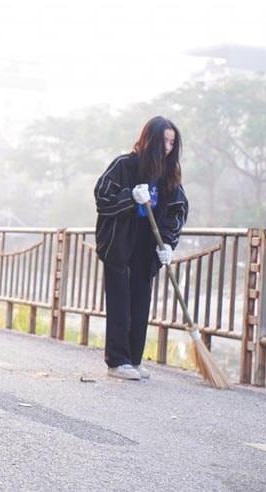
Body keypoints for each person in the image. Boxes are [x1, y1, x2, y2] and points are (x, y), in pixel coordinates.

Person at [94, 116, 189, 381]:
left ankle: (134, 359)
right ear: (150, 139)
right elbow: (102, 197)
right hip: (120, 244)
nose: (168, 147)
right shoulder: (124, 165)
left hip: (148, 246)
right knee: (120, 302)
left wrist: (168, 242)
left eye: (172, 142)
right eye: (164, 141)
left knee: (140, 301)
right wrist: (129, 197)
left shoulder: (169, 176)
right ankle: (117, 361)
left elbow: (177, 211)